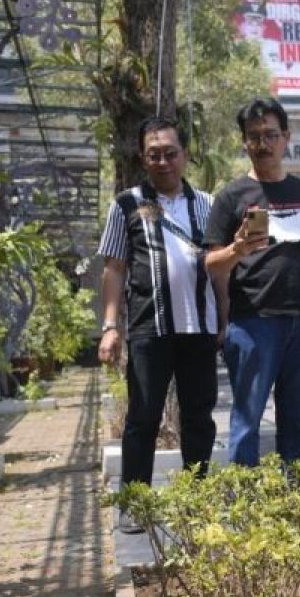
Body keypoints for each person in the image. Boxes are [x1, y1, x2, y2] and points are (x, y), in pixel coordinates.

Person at [205, 98, 300, 466]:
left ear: (286, 138)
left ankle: (293, 501)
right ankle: (245, 507)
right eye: (254, 137)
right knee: (246, 421)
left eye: (271, 135)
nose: (263, 144)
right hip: (253, 322)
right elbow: (212, 264)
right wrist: (237, 248)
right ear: (244, 142)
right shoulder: (230, 197)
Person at [97, 115, 218, 534]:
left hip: (200, 328)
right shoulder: (126, 204)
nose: (163, 161)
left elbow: (221, 268)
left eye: (170, 153)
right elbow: (113, 268)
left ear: (184, 155)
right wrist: (110, 326)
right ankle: (136, 504)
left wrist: (226, 318)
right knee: (143, 417)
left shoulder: (207, 203)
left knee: (199, 418)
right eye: (154, 154)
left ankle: (196, 501)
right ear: (143, 158)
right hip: (150, 328)